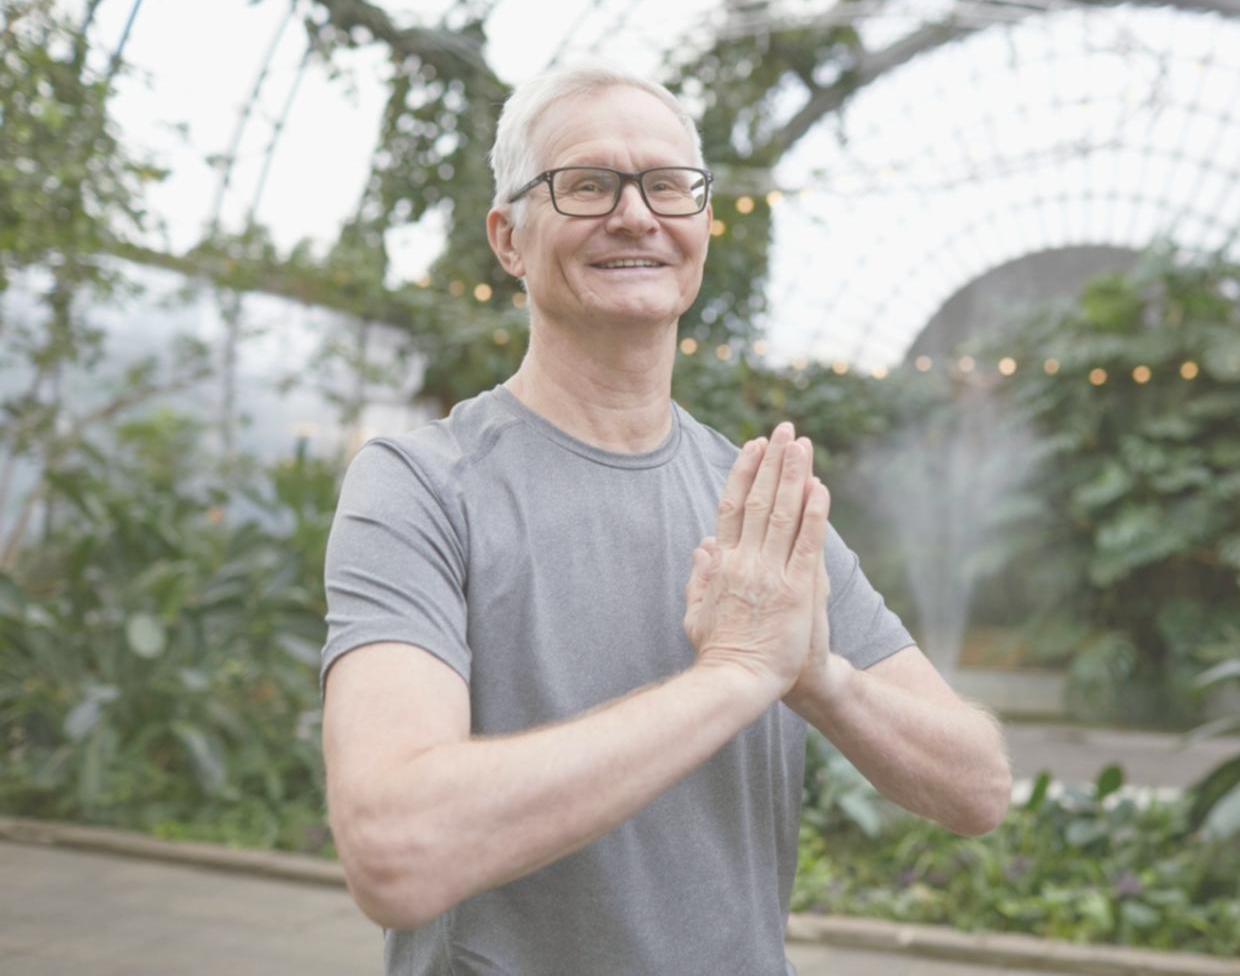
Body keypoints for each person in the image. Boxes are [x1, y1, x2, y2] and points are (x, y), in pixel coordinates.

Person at [319, 59, 1012, 976]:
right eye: (587, 184)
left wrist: (820, 679)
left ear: (701, 226)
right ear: (508, 238)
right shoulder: (423, 487)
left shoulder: (755, 504)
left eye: (668, 185)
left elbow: (977, 785)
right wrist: (734, 675)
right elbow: (395, 850)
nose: (636, 215)